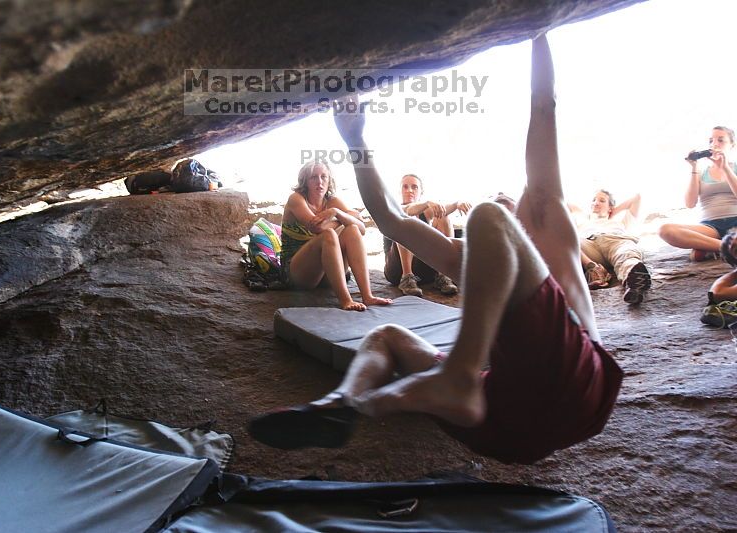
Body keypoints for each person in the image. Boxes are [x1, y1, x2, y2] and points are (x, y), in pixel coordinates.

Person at [249, 34, 623, 465]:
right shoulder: (474, 265)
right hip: (506, 420)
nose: (505, 205)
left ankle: (457, 379)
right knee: (385, 336)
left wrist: (540, 35)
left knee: (484, 215)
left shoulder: (550, 228)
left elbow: (544, 104)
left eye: (510, 203)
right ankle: (343, 405)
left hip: (572, 384)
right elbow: (391, 220)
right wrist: (356, 141)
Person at [280, 160, 393, 311]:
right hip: (298, 273)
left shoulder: (333, 202)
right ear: (305, 181)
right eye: (314, 177)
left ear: (329, 181)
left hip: (327, 274)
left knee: (351, 229)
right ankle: (346, 300)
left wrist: (337, 212)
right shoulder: (296, 199)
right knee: (328, 234)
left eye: (323, 177)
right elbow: (317, 228)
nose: (319, 182)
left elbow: (361, 228)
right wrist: (343, 218)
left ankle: (368, 296)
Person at [383, 173, 469, 297]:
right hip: (396, 270)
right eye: (405, 187)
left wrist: (457, 204)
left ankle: (443, 275)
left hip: (424, 269)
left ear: (421, 192)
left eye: (414, 187)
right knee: (406, 220)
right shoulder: (394, 208)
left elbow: (444, 209)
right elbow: (408, 210)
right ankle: (407, 278)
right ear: (400, 190)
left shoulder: (425, 211)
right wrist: (427, 203)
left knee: (443, 217)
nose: (410, 190)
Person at [658, 126, 737, 261]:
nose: (714, 144)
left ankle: (708, 246)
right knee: (665, 230)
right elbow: (690, 203)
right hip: (710, 227)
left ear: (732, 145)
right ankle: (726, 247)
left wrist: (725, 168)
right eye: (711, 141)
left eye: (721, 140)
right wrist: (694, 168)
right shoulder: (701, 172)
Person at [569, 190, 651, 304]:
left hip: (615, 241)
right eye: (594, 200)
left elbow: (637, 197)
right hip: (588, 247)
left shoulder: (619, 222)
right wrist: (591, 212)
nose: (596, 203)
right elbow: (564, 203)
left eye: (602, 201)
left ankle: (634, 282)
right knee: (567, 239)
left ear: (610, 207)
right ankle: (593, 268)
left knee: (626, 252)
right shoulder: (582, 221)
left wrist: (612, 212)